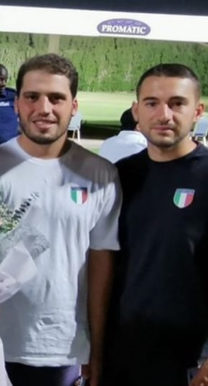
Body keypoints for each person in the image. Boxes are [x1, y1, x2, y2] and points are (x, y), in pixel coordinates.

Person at [0, 54, 120, 386]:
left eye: (56, 98)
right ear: (17, 102)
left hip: (64, 347)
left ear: (73, 106)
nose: (44, 108)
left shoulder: (100, 174)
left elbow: (100, 266)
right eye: (32, 97)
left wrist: (98, 348)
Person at [103, 63, 208, 386]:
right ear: (137, 110)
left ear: (198, 111)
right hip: (119, 355)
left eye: (177, 103)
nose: (164, 114)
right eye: (152, 103)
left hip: (186, 361)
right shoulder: (118, 176)